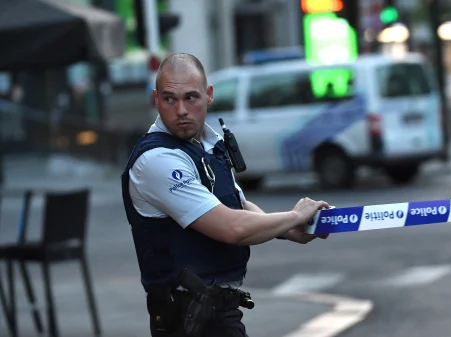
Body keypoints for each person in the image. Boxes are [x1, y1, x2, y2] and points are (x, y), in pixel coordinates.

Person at [120, 53, 330, 337]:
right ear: (156, 100)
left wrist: (289, 229)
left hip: (216, 313)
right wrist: (294, 216)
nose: (181, 109)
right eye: (170, 99)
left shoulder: (207, 144)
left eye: (190, 97)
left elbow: (239, 205)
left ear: (208, 96)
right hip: (187, 319)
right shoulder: (157, 159)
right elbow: (232, 227)